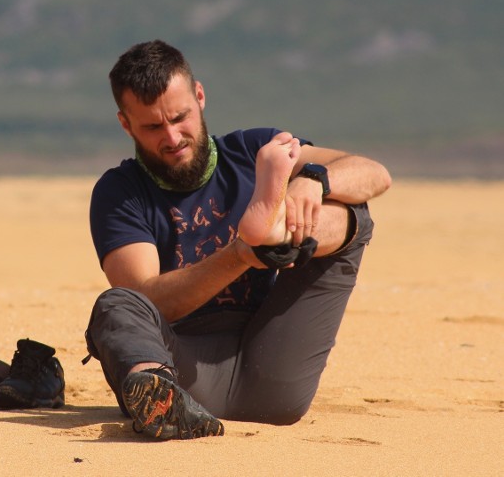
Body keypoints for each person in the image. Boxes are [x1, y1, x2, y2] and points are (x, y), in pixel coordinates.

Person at [84, 40, 391, 440]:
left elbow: (375, 174)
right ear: (126, 124)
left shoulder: (252, 150)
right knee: (119, 303)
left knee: (353, 214)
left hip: (272, 364)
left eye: (180, 118)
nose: (173, 136)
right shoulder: (120, 192)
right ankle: (160, 404)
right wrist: (242, 254)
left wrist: (313, 180)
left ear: (200, 96)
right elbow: (150, 299)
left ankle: (277, 231)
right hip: (183, 373)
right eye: (153, 127)